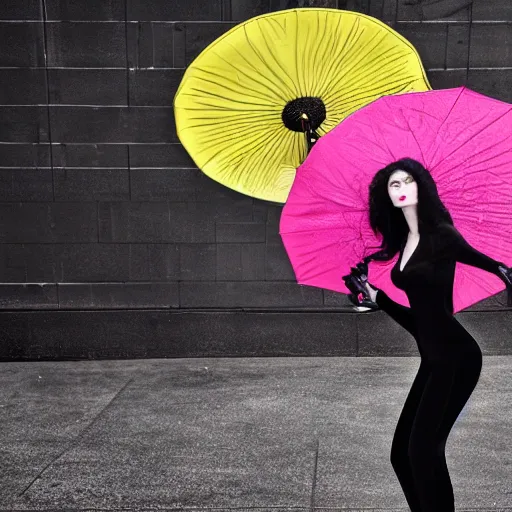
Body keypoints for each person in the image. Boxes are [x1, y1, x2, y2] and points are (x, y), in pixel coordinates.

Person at [343, 157, 511, 512]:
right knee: (401, 455)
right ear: (385, 195)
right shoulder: (405, 242)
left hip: (457, 356)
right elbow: (423, 321)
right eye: (394, 185)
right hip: (434, 357)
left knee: (423, 451)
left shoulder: (441, 235)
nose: (402, 190)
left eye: (408, 182)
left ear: (422, 186)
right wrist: (380, 300)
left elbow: (490, 264)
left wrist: (505, 273)